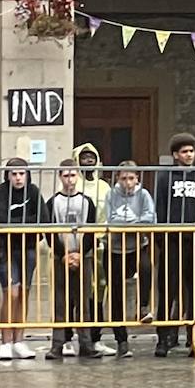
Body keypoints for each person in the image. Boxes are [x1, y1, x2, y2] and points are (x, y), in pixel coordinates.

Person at [154, 133, 195, 358]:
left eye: (191, 151)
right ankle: (163, 339)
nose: (189, 155)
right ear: (175, 155)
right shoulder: (165, 177)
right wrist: (162, 236)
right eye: (184, 152)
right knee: (168, 291)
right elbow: (161, 208)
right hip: (173, 240)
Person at [45, 159, 101, 361]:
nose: (70, 179)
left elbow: (91, 230)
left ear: (78, 176)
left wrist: (79, 252)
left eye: (73, 175)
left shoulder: (87, 202)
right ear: (60, 177)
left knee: (83, 302)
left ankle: (86, 343)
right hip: (61, 257)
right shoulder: (53, 202)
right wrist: (64, 253)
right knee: (60, 302)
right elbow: (49, 232)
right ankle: (57, 345)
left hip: (82, 255)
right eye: (65, 175)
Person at [0, 158, 43, 361]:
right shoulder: (2, 191)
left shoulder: (33, 191)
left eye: (21, 173)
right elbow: (1, 218)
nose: (18, 177)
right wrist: (25, 222)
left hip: (28, 248)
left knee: (24, 293)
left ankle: (19, 340)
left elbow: (42, 218)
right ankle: (5, 342)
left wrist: (18, 223)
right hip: (6, 249)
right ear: (8, 175)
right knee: (10, 293)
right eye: (14, 174)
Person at [106, 161, 156, 358]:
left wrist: (129, 225)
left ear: (137, 179)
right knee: (116, 292)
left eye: (131, 178)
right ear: (118, 178)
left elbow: (150, 217)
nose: (128, 183)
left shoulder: (143, 194)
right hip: (116, 248)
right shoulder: (111, 194)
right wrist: (132, 225)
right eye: (123, 178)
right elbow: (110, 218)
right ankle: (122, 341)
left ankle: (143, 306)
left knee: (146, 268)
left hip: (137, 245)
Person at [73, 143, 116, 357]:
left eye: (92, 157)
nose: (88, 161)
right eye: (84, 157)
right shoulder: (73, 184)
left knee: (99, 291)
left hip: (100, 245)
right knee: (78, 293)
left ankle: (97, 337)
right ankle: (77, 337)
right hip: (78, 246)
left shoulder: (105, 187)